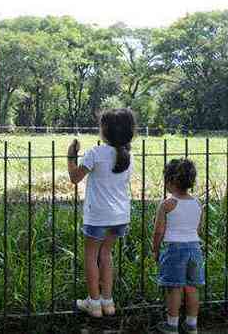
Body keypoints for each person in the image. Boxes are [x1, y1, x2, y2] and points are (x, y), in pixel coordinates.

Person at [67, 108, 136, 317]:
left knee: (91, 256)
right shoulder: (128, 157)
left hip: (98, 216)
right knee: (107, 254)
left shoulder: (95, 154)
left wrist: (71, 156)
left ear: (105, 130)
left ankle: (94, 303)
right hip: (120, 215)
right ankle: (108, 301)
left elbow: (75, 178)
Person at [153, 158, 203, 334]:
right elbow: (198, 229)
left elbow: (159, 231)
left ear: (171, 181)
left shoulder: (167, 204)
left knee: (174, 288)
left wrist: (156, 250)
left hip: (174, 249)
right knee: (192, 287)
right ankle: (191, 324)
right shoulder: (198, 204)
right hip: (195, 249)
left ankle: (172, 324)